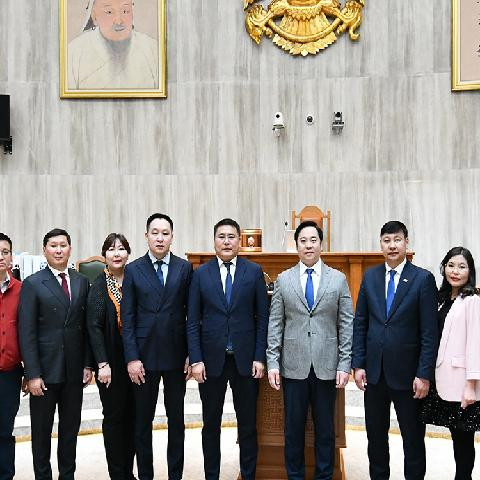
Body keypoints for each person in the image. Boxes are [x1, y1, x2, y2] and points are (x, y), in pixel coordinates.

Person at [266, 220, 354, 480]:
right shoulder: (284, 280)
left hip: (327, 365)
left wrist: (344, 363)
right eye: (303, 241)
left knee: (325, 430)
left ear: (321, 244)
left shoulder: (338, 279)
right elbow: (276, 323)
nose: (308, 245)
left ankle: (324, 476)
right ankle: (295, 476)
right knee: (293, 430)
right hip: (293, 366)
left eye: (313, 240)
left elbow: (346, 323)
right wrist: (273, 362)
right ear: (296, 246)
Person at [352, 220, 438, 480]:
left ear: (406, 243)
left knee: (413, 439)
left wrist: (424, 374)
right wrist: (358, 364)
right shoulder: (370, 277)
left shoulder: (423, 279)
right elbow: (361, 322)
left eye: (397, 240)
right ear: (380, 244)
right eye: (387, 240)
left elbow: (429, 332)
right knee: (376, 438)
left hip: (409, 376)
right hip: (375, 374)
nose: (392, 245)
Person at [187, 218, 269, 480]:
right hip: (211, 362)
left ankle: (248, 474)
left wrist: (260, 357)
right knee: (211, 424)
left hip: (246, 362)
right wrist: (196, 359)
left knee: (248, 425)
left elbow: (262, 319)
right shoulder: (200, 274)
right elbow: (192, 320)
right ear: (214, 241)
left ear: (239, 241)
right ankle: (211, 475)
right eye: (221, 236)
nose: (226, 241)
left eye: (231, 236)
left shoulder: (253, 272)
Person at [121, 213, 193, 480]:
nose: (160, 238)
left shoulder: (184, 268)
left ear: (172, 237)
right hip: (143, 357)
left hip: (176, 355)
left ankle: (175, 474)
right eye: (155, 233)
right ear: (146, 236)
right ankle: (146, 475)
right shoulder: (133, 269)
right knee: (143, 422)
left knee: (176, 420)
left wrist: (191, 353)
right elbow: (127, 318)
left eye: (165, 233)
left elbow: (191, 315)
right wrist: (131, 358)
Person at [18, 228, 93, 480]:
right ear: (44, 250)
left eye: (63, 245)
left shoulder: (81, 281)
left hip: (74, 371)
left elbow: (86, 328)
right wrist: (32, 374)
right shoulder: (33, 283)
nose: (58, 250)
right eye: (53, 245)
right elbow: (27, 332)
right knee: (41, 432)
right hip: (44, 372)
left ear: (70, 249)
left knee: (70, 431)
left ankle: (67, 476)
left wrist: (87, 364)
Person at [420, 247, 480, 480]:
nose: (455, 271)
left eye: (462, 267)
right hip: (441, 378)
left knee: (463, 440)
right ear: (444, 267)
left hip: (461, 382)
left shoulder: (472, 300)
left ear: (470, 271)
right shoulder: (441, 298)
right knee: (456, 437)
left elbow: (475, 344)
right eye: (451, 265)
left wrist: (471, 386)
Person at [86, 233, 136, 480]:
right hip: (110, 362)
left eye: (121, 248)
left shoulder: (135, 279)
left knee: (134, 417)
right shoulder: (98, 284)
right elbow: (93, 327)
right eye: (111, 249)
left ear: (128, 253)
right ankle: (117, 474)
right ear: (104, 255)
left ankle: (128, 471)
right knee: (115, 417)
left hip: (135, 360)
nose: (117, 253)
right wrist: (102, 363)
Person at [68, 0, 159, 90]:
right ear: (94, 17)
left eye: (125, 11)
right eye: (109, 12)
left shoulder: (153, 50)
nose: (118, 21)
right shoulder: (74, 53)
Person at [0, 233, 23, 480]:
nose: (0, 257)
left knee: (5, 430)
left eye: (4, 252)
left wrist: (30, 371)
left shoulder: (22, 290)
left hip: (9, 373)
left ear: (11, 257)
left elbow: (28, 333)